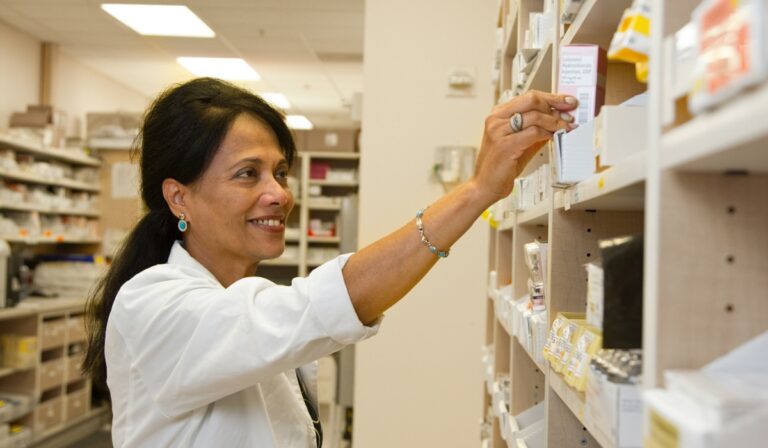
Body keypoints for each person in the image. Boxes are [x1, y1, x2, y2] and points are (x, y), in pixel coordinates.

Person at [83, 77, 577, 447]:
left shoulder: (245, 304)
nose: (277, 194)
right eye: (247, 174)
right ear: (179, 198)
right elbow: (324, 305)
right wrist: (476, 192)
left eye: (279, 172)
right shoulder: (152, 305)